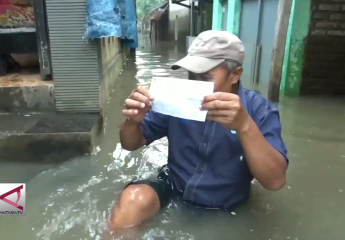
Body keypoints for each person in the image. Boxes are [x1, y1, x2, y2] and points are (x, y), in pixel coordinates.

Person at [110, 30, 288, 229]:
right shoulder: (177, 98)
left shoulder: (260, 110)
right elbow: (130, 144)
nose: (195, 84)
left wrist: (244, 125)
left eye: (205, 78)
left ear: (235, 74)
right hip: (174, 185)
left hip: (228, 202)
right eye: (191, 75)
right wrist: (133, 121)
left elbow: (275, 181)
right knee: (132, 201)